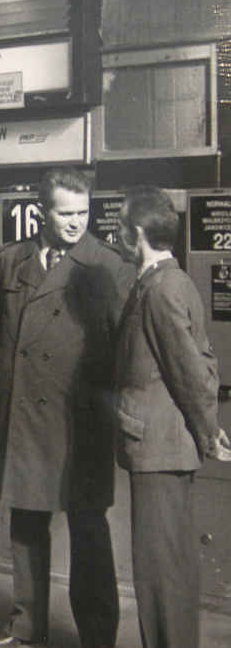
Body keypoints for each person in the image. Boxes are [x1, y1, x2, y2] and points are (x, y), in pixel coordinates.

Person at [0, 169, 134, 647]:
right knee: (25, 522)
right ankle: (27, 624)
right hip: (25, 414)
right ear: (41, 210)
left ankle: (97, 633)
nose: (75, 223)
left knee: (89, 528)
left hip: (79, 419)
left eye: (83, 212)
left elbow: (122, 347)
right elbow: (0, 338)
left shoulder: (107, 265)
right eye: (64, 213)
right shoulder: (10, 261)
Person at [114, 186, 230, 648]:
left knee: (160, 567)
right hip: (162, 447)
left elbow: (190, 373)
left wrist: (209, 434)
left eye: (122, 224)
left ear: (137, 233)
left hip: (160, 449)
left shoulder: (160, 290)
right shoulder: (164, 281)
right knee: (168, 564)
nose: (117, 232)